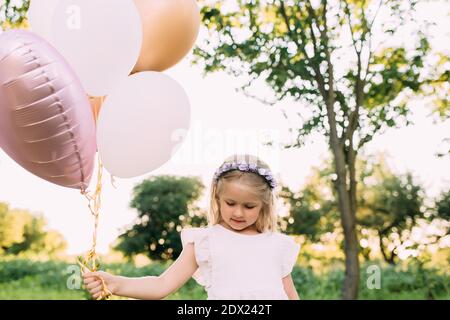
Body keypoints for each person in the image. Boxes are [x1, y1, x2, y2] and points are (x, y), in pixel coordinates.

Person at [83, 154, 300, 300]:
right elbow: (162, 284)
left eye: (249, 206)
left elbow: (290, 294)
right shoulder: (206, 241)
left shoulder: (278, 245)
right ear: (217, 197)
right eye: (230, 203)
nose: (238, 213)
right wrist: (117, 284)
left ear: (264, 205)